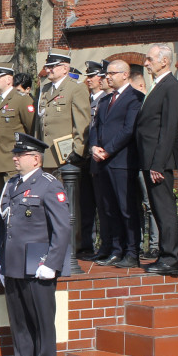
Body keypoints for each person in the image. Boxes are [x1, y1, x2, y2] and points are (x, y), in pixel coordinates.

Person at [0, 133, 71, 356]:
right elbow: (3, 229)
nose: (15, 158)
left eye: (20, 154)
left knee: (41, 323)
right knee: (20, 324)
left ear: (36, 159)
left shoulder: (50, 186)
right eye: (15, 153)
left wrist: (52, 264)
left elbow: (62, 230)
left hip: (38, 267)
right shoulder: (11, 184)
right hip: (15, 265)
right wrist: (1, 263)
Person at [88, 59, 144, 267]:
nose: (107, 77)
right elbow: (96, 128)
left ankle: (132, 251)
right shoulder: (105, 100)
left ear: (124, 74)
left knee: (126, 208)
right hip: (102, 161)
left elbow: (129, 129)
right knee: (108, 207)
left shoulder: (135, 98)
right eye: (106, 74)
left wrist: (108, 150)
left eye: (111, 73)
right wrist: (94, 147)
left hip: (121, 161)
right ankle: (115, 248)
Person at [136, 44, 178, 277]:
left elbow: (168, 128)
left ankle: (170, 259)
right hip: (149, 159)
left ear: (164, 61)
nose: (146, 63)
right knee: (157, 209)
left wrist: (158, 163)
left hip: (159, 162)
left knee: (165, 210)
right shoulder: (158, 86)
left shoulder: (171, 87)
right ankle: (164, 256)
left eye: (149, 59)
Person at [36, 51, 90, 171]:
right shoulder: (45, 89)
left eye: (52, 66)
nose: (48, 70)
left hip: (65, 155)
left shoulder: (76, 88)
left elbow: (81, 124)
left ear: (65, 68)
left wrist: (78, 151)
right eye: (47, 66)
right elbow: (39, 122)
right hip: (46, 154)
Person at [78, 60, 109, 260]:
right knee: (85, 205)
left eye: (92, 76)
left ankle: (105, 245)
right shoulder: (85, 100)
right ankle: (86, 244)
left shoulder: (105, 100)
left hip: (100, 158)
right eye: (87, 76)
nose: (88, 80)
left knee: (102, 204)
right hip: (84, 158)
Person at [0, 65, 35, 193]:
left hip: (14, 162)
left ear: (9, 80)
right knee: (4, 202)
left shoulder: (21, 99)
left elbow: (31, 129)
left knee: (17, 200)